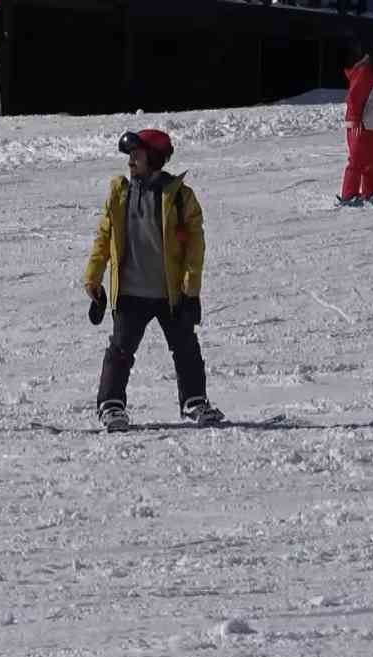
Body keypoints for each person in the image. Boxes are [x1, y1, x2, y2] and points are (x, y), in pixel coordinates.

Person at [81, 129, 220, 432]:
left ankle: (194, 400)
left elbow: (195, 246)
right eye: (129, 157)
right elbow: (103, 238)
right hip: (130, 291)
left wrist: (190, 289)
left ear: (154, 159)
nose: (130, 162)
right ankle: (111, 404)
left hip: (170, 292)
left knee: (186, 349)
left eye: (137, 156)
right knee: (120, 351)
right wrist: (93, 278)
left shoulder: (181, 198)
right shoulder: (120, 194)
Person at [339, 39, 373, 206]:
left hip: (371, 124)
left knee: (372, 160)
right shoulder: (366, 70)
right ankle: (349, 195)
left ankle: (370, 193)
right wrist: (355, 119)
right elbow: (354, 96)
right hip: (358, 124)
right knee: (357, 159)